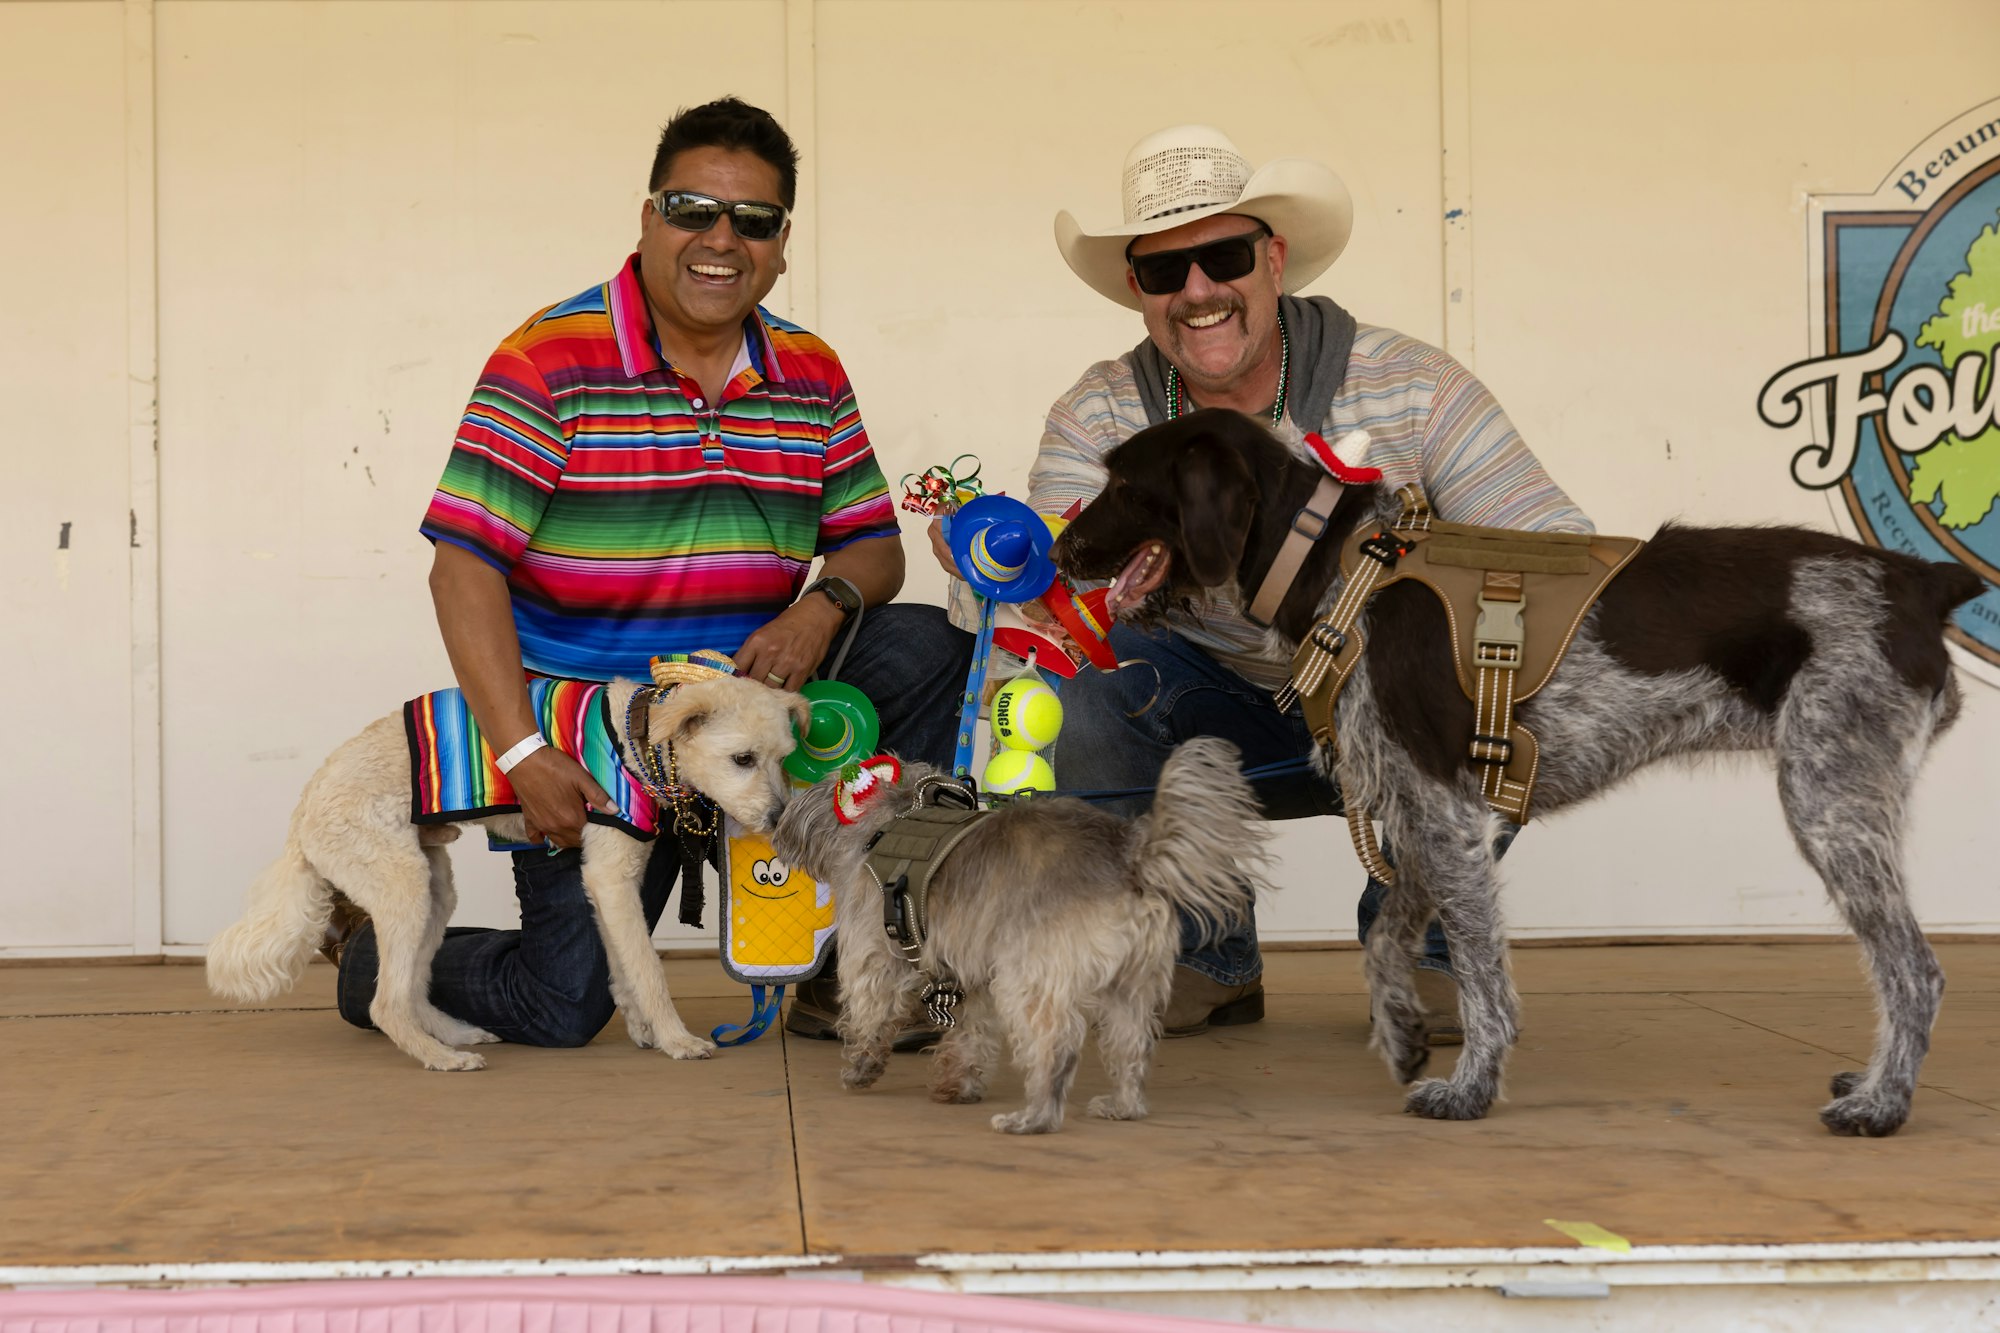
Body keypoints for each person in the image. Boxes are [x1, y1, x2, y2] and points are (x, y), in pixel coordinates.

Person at [330, 97, 971, 1047]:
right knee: (565, 1004)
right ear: (646, 218)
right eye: (691, 210)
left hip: (750, 714)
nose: (721, 238)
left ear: (782, 242)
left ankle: (857, 970)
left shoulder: (811, 372)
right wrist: (519, 753)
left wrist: (821, 606)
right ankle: (373, 954)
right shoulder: (547, 360)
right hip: (593, 741)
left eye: (752, 220)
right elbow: (461, 569)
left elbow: (874, 546)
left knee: (922, 643)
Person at [933, 125, 1591, 1039]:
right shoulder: (1101, 412)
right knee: (1071, 677)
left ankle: (1423, 945)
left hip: (1394, 707)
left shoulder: (1412, 386)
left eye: (1223, 256)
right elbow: (1054, 593)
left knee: (1503, 678)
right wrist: (994, 560)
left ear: (1274, 260)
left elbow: (1561, 552)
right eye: (1166, 271)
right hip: (1216, 712)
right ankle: (1203, 954)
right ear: (1139, 291)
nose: (1198, 292)